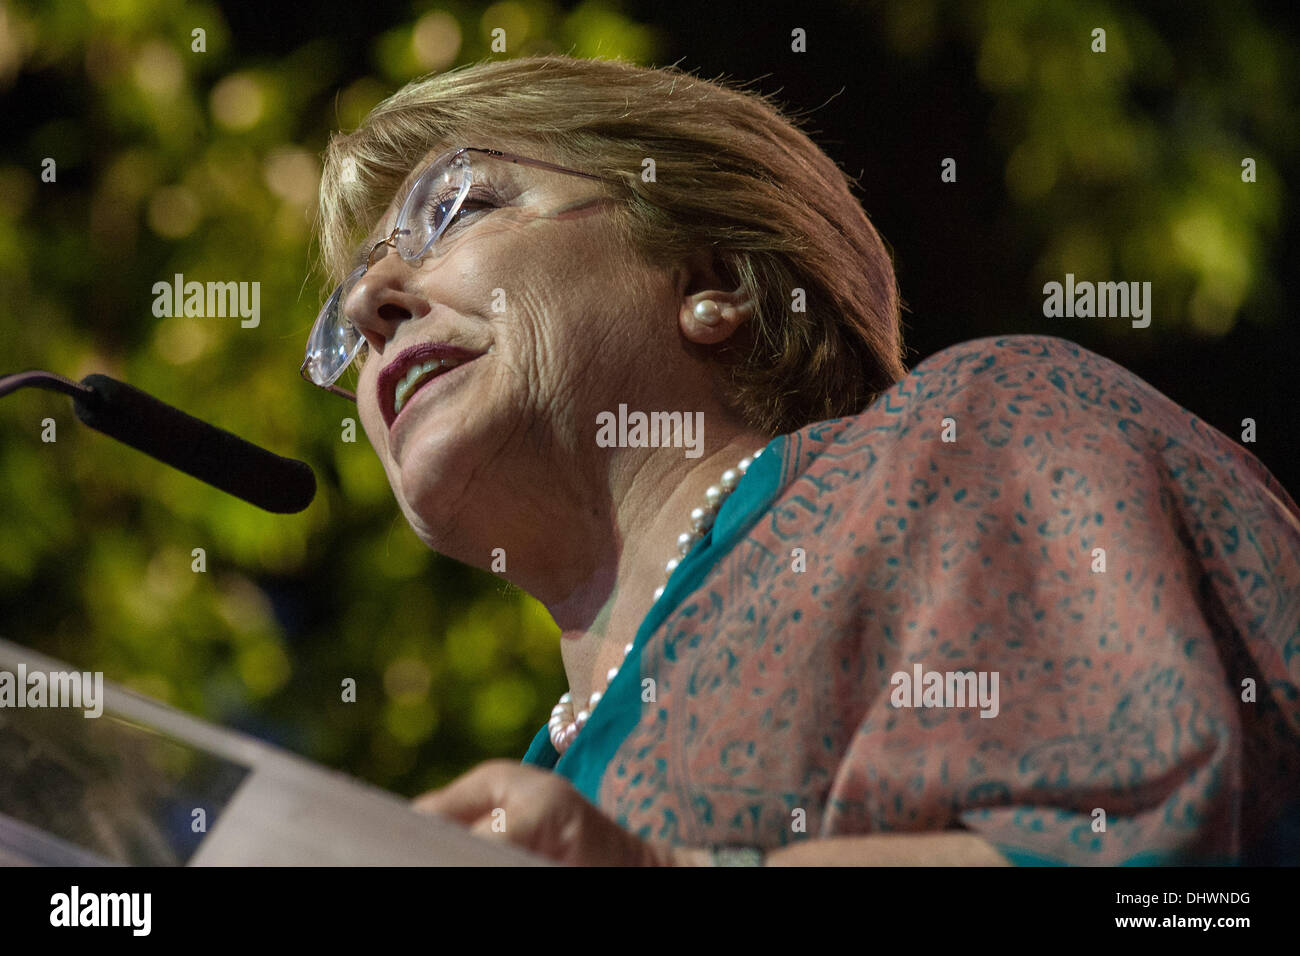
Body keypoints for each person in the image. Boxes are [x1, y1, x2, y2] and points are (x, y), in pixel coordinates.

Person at [302, 55, 1300, 865]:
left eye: (457, 209)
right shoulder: (527, 806)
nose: (367, 305)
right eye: (343, 317)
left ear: (712, 280)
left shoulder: (979, 431)